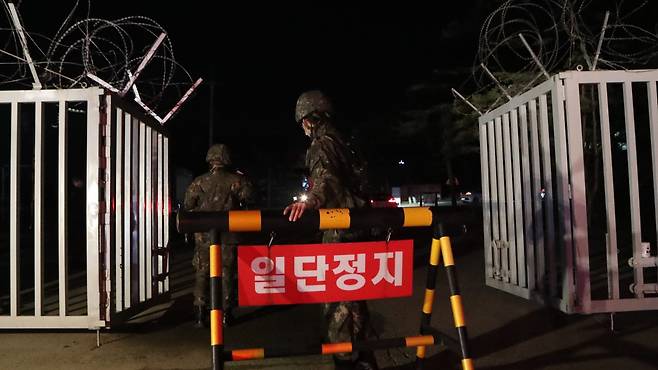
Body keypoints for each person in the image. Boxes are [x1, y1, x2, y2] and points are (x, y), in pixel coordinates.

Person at [284, 90, 378, 370]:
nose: (302, 129)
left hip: (340, 230)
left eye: (302, 123)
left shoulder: (321, 145)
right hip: (359, 226)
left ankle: (347, 361)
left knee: (338, 302)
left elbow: (327, 179)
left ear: (309, 120)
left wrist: (310, 202)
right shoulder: (344, 141)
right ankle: (364, 356)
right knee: (357, 296)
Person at [184, 143, 254, 328]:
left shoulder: (199, 182)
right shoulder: (237, 181)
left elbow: (188, 205)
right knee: (228, 274)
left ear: (210, 160)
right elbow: (250, 199)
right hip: (229, 236)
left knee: (202, 273)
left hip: (204, 237)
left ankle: (200, 314)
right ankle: (226, 315)